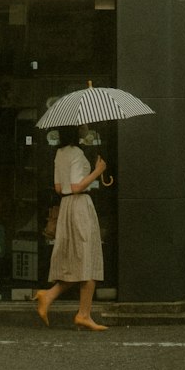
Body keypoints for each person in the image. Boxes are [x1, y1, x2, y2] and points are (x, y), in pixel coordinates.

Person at [34, 125, 108, 331]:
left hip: (66, 206)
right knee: (88, 258)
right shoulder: (76, 152)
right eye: (82, 126)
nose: (86, 128)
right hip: (80, 206)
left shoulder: (59, 153)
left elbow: (59, 188)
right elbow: (77, 186)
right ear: (75, 130)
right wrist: (97, 171)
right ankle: (83, 314)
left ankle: (48, 296)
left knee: (76, 261)